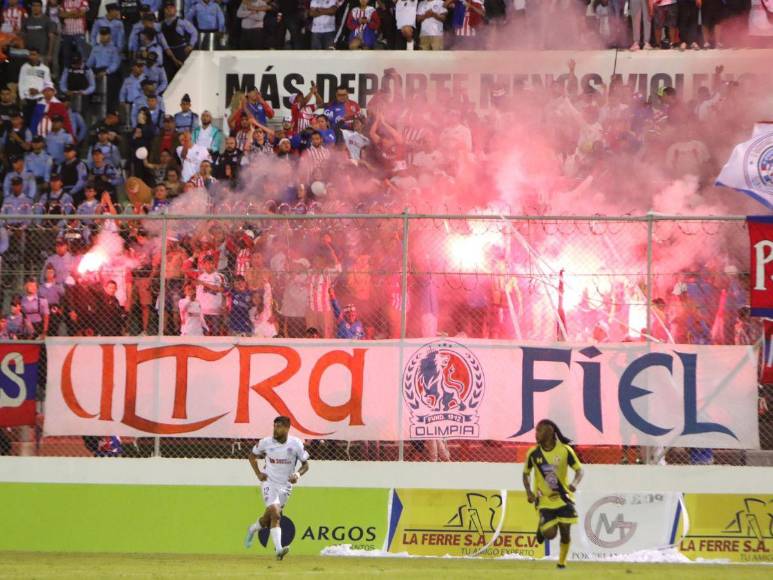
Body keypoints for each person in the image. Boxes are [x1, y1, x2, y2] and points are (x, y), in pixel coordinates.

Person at [244, 415, 310, 561]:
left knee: (269, 519)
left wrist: (298, 475)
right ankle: (279, 550)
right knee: (276, 514)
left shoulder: (296, 444)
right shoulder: (266, 443)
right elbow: (251, 456)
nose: (276, 429)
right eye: (274, 426)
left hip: (285, 485)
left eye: (279, 426)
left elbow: (306, 465)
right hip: (269, 482)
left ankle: (253, 529)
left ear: (287, 428)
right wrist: (258, 473)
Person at [522, 419, 584, 570]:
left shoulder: (565, 450)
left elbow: (579, 470)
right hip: (544, 499)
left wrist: (574, 484)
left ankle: (561, 564)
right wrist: (529, 491)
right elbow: (526, 474)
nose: (536, 434)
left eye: (539, 431)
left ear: (549, 432)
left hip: (563, 498)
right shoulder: (533, 453)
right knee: (550, 534)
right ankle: (542, 527)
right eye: (536, 431)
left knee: (565, 531)